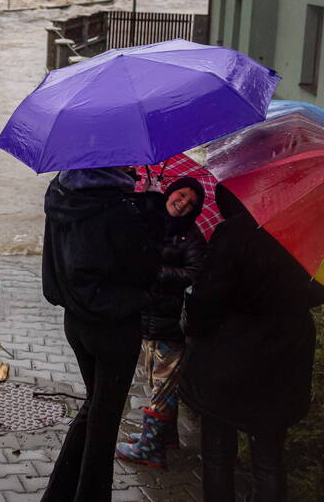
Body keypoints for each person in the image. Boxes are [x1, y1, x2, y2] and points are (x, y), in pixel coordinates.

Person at [179, 185, 324, 502]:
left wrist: (192, 320)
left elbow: (208, 300)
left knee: (219, 455)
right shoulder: (308, 232)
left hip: (228, 358)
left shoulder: (235, 232)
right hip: (283, 358)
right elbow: (322, 291)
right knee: (269, 459)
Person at [39, 166, 161, 502]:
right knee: (105, 423)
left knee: (94, 408)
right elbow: (144, 269)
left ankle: (58, 494)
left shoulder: (59, 194)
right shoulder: (119, 208)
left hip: (75, 321)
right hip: (113, 326)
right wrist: (152, 211)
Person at [116, 177, 207, 469]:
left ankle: (150, 449)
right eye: (180, 195)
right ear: (169, 192)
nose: (182, 204)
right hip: (147, 318)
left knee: (161, 387)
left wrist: (158, 271)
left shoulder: (191, 238)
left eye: (191, 203)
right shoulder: (151, 224)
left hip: (171, 325)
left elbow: (194, 273)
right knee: (158, 382)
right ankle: (164, 438)